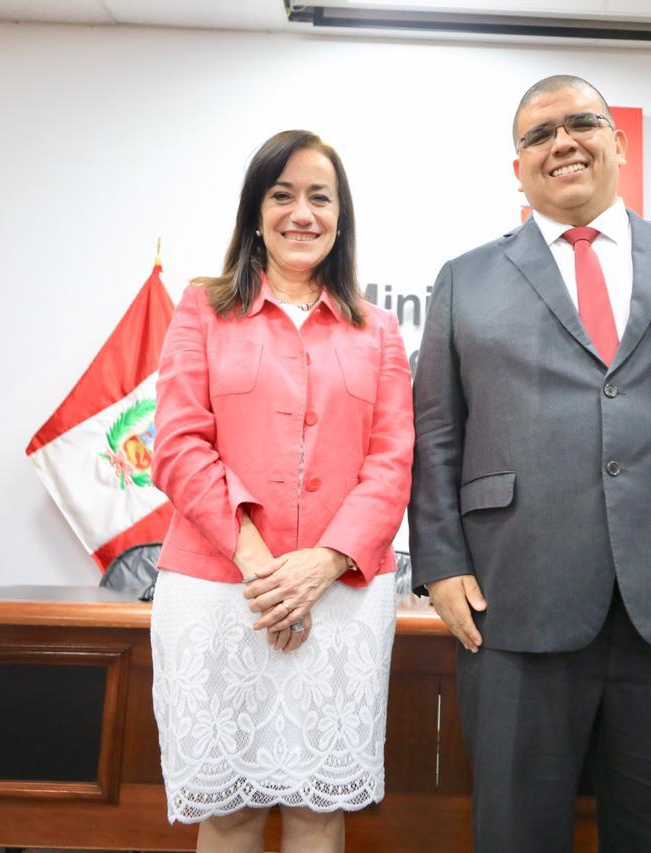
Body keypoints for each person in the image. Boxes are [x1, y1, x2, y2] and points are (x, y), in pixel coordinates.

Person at [408, 76, 651, 852]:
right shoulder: (465, 278)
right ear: (517, 167)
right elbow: (436, 432)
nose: (563, 142)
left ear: (618, 144)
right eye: (538, 134)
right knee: (516, 832)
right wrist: (439, 562)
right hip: (512, 600)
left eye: (582, 123)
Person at [150, 129, 413, 852]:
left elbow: (392, 464)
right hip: (221, 589)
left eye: (319, 197)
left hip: (339, 596)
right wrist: (264, 568)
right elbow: (177, 445)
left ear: (341, 215)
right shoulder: (203, 307)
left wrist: (319, 565)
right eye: (282, 194)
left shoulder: (378, 330)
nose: (302, 213)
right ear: (255, 211)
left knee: (316, 806)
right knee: (229, 808)